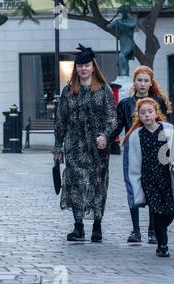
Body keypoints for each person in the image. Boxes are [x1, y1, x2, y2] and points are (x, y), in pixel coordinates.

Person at [52, 44, 117, 243]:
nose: (83, 69)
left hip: (98, 147)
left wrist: (105, 135)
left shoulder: (104, 90)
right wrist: (57, 146)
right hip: (74, 145)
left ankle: (97, 225)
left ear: (93, 66)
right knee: (76, 185)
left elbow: (112, 118)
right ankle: (78, 226)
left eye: (87, 65)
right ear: (76, 69)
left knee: (98, 185)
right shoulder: (68, 90)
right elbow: (61, 120)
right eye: (80, 66)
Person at [108, 65, 173, 244]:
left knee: (154, 188)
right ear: (134, 82)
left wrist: (173, 153)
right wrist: (105, 139)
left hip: (154, 151)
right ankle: (136, 230)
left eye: (146, 81)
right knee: (133, 187)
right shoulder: (126, 104)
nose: (142, 84)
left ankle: (153, 230)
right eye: (139, 80)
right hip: (133, 150)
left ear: (151, 83)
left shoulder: (157, 102)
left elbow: (168, 127)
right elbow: (117, 126)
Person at [122, 97, 174, 257]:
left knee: (170, 212)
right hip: (149, 180)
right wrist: (135, 184)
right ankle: (162, 245)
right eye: (143, 113)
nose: (147, 115)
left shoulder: (168, 130)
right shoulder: (137, 136)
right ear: (139, 116)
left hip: (166, 177)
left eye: (150, 111)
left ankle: (161, 232)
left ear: (156, 113)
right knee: (157, 211)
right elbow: (133, 162)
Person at [107, 6, 137, 76]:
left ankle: (123, 73)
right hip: (122, 43)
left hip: (129, 43)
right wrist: (114, 21)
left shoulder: (132, 20)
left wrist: (120, 24)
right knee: (124, 60)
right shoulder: (119, 21)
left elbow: (132, 26)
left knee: (121, 56)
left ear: (127, 13)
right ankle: (124, 74)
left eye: (125, 12)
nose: (124, 14)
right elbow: (108, 27)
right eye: (122, 12)